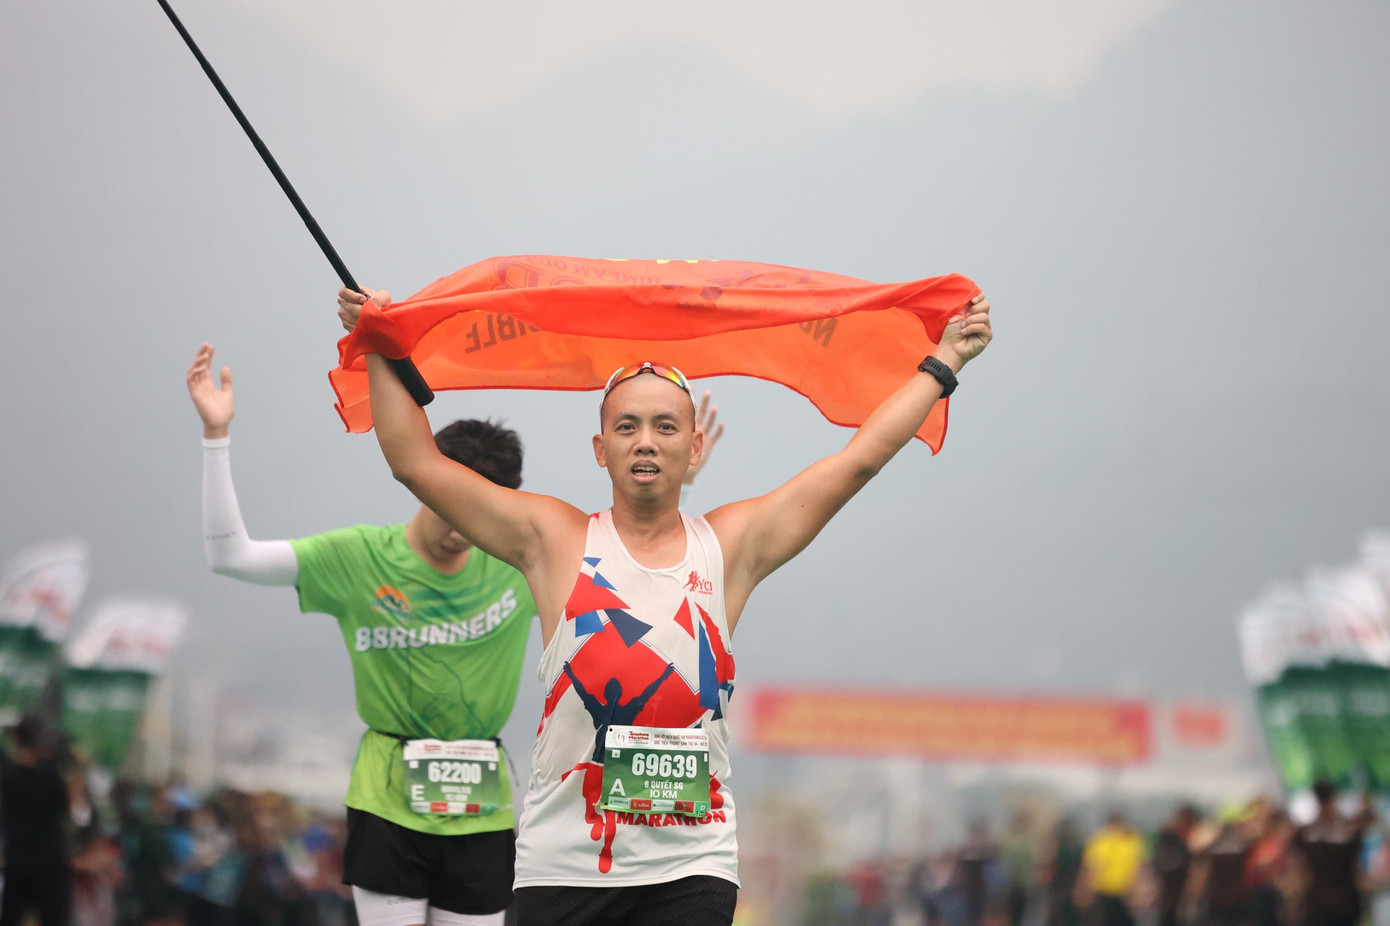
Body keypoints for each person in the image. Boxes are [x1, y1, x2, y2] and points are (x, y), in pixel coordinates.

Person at [337, 279, 992, 925]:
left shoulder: (733, 545)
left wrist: (946, 361)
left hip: (691, 864)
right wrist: (376, 342)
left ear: (694, 446)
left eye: (664, 426)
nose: (645, 440)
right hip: (565, 863)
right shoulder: (553, 539)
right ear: (602, 449)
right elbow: (414, 462)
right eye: (626, 426)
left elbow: (858, 461)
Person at [186, 342, 724, 926]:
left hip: (482, 808)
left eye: (473, 519)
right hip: (389, 798)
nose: (458, 531)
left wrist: (678, 486)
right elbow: (230, 557)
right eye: (449, 508)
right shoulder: (358, 557)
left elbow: (641, 573)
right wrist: (217, 437)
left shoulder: (523, 563)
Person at [0, 714, 72, 926]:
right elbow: (64, 813)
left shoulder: (8, 779)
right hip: (49, 865)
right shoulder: (52, 780)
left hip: (18, 863)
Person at [1290, 780, 1371, 926]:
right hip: (1342, 902)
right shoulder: (1347, 832)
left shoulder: (1305, 834)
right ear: (1332, 799)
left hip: (1322, 903)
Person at [1079, 812, 1146, 926]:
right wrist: (1136, 895)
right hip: (1123, 894)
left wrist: (1086, 892)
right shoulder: (1132, 841)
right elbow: (1137, 871)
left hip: (1106, 894)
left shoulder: (1100, 841)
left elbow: (1092, 869)